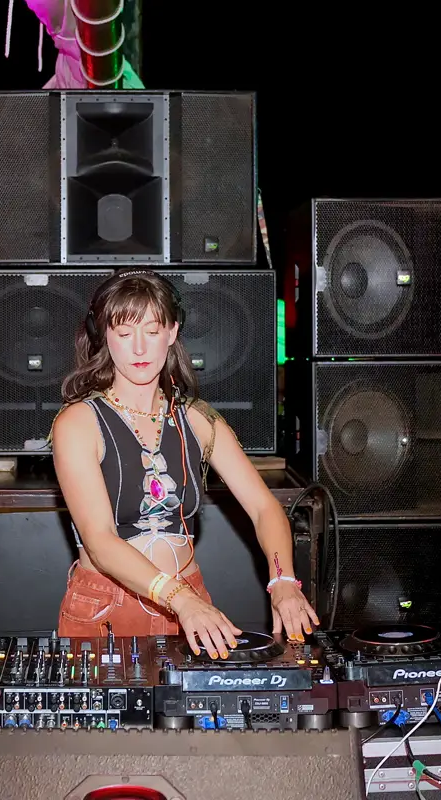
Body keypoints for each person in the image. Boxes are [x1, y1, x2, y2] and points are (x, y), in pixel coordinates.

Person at [50, 269, 319, 659]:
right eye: (124, 334)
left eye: (152, 330)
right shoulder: (77, 422)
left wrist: (283, 580)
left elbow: (264, 508)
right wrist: (181, 599)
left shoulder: (197, 419)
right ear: (105, 337)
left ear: (173, 332)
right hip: (109, 606)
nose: (139, 348)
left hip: (189, 600)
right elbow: (100, 541)